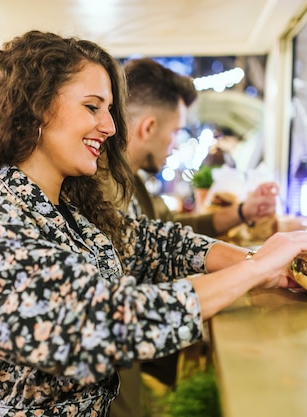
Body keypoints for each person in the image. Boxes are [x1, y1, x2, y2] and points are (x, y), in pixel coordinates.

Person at [0, 30, 307, 417]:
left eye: (109, 110)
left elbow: (153, 243)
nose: (109, 127)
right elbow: (104, 321)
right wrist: (256, 267)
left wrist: (261, 260)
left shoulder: (68, 211)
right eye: (92, 107)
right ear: (33, 107)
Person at [110, 58, 280, 417]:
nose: (175, 146)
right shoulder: (105, 189)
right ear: (149, 127)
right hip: (114, 372)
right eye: (175, 133)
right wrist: (255, 266)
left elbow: (168, 236)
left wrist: (243, 215)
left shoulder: (131, 182)